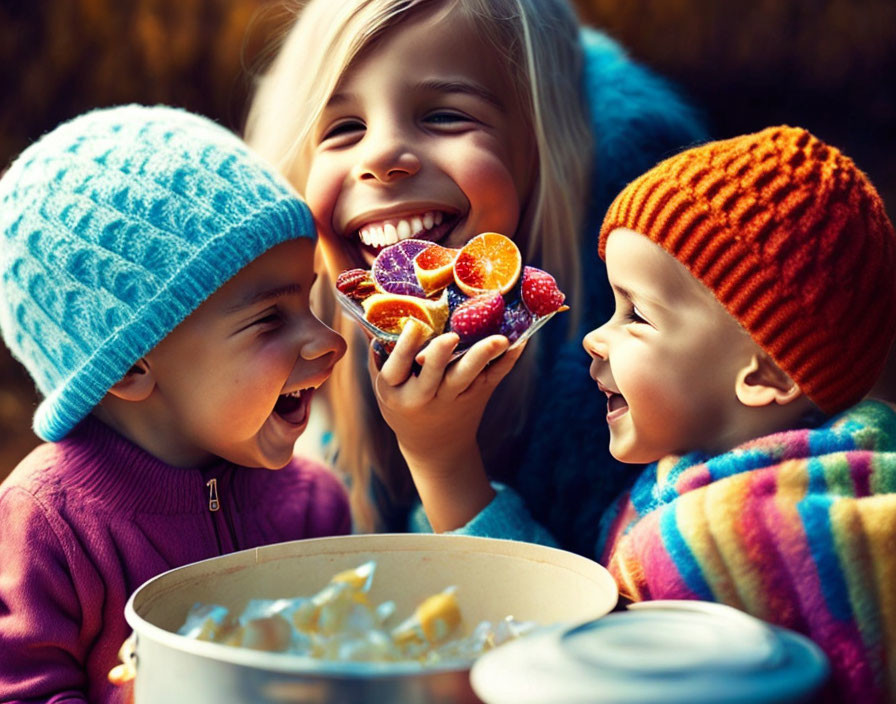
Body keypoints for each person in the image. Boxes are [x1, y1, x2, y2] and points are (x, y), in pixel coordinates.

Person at [245, 0, 707, 546]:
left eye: (444, 115)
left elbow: (575, 618)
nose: (383, 154)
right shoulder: (281, 369)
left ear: (542, 148)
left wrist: (442, 462)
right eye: (343, 127)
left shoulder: (640, 376)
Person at [0, 105, 351, 703]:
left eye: (310, 302)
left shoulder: (311, 508)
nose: (329, 341)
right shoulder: (48, 529)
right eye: (270, 319)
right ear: (131, 363)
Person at [580, 126, 896, 702]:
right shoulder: (680, 476)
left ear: (766, 375)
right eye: (613, 306)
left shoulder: (714, 541)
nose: (595, 338)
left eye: (638, 316)